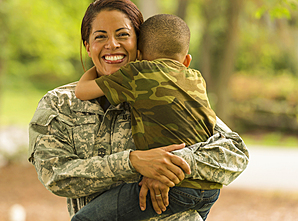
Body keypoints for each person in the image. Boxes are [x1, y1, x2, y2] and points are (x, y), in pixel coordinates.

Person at [28, 0, 249, 221]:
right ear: (88, 46)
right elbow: (55, 175)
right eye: (100, 36)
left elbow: (235, 154)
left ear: (140, 44)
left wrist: (168, 166)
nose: (112, 44)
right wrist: (133, 162)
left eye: (123, 35)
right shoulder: (59, 103)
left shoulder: (163, 91)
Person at [74, 13, 219, 220]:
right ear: (187, 60)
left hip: (177, 186)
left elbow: (82, 91)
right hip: (209, 186)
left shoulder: (137, 73)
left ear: (139, 54)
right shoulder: (196, 78)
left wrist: (97, 69)